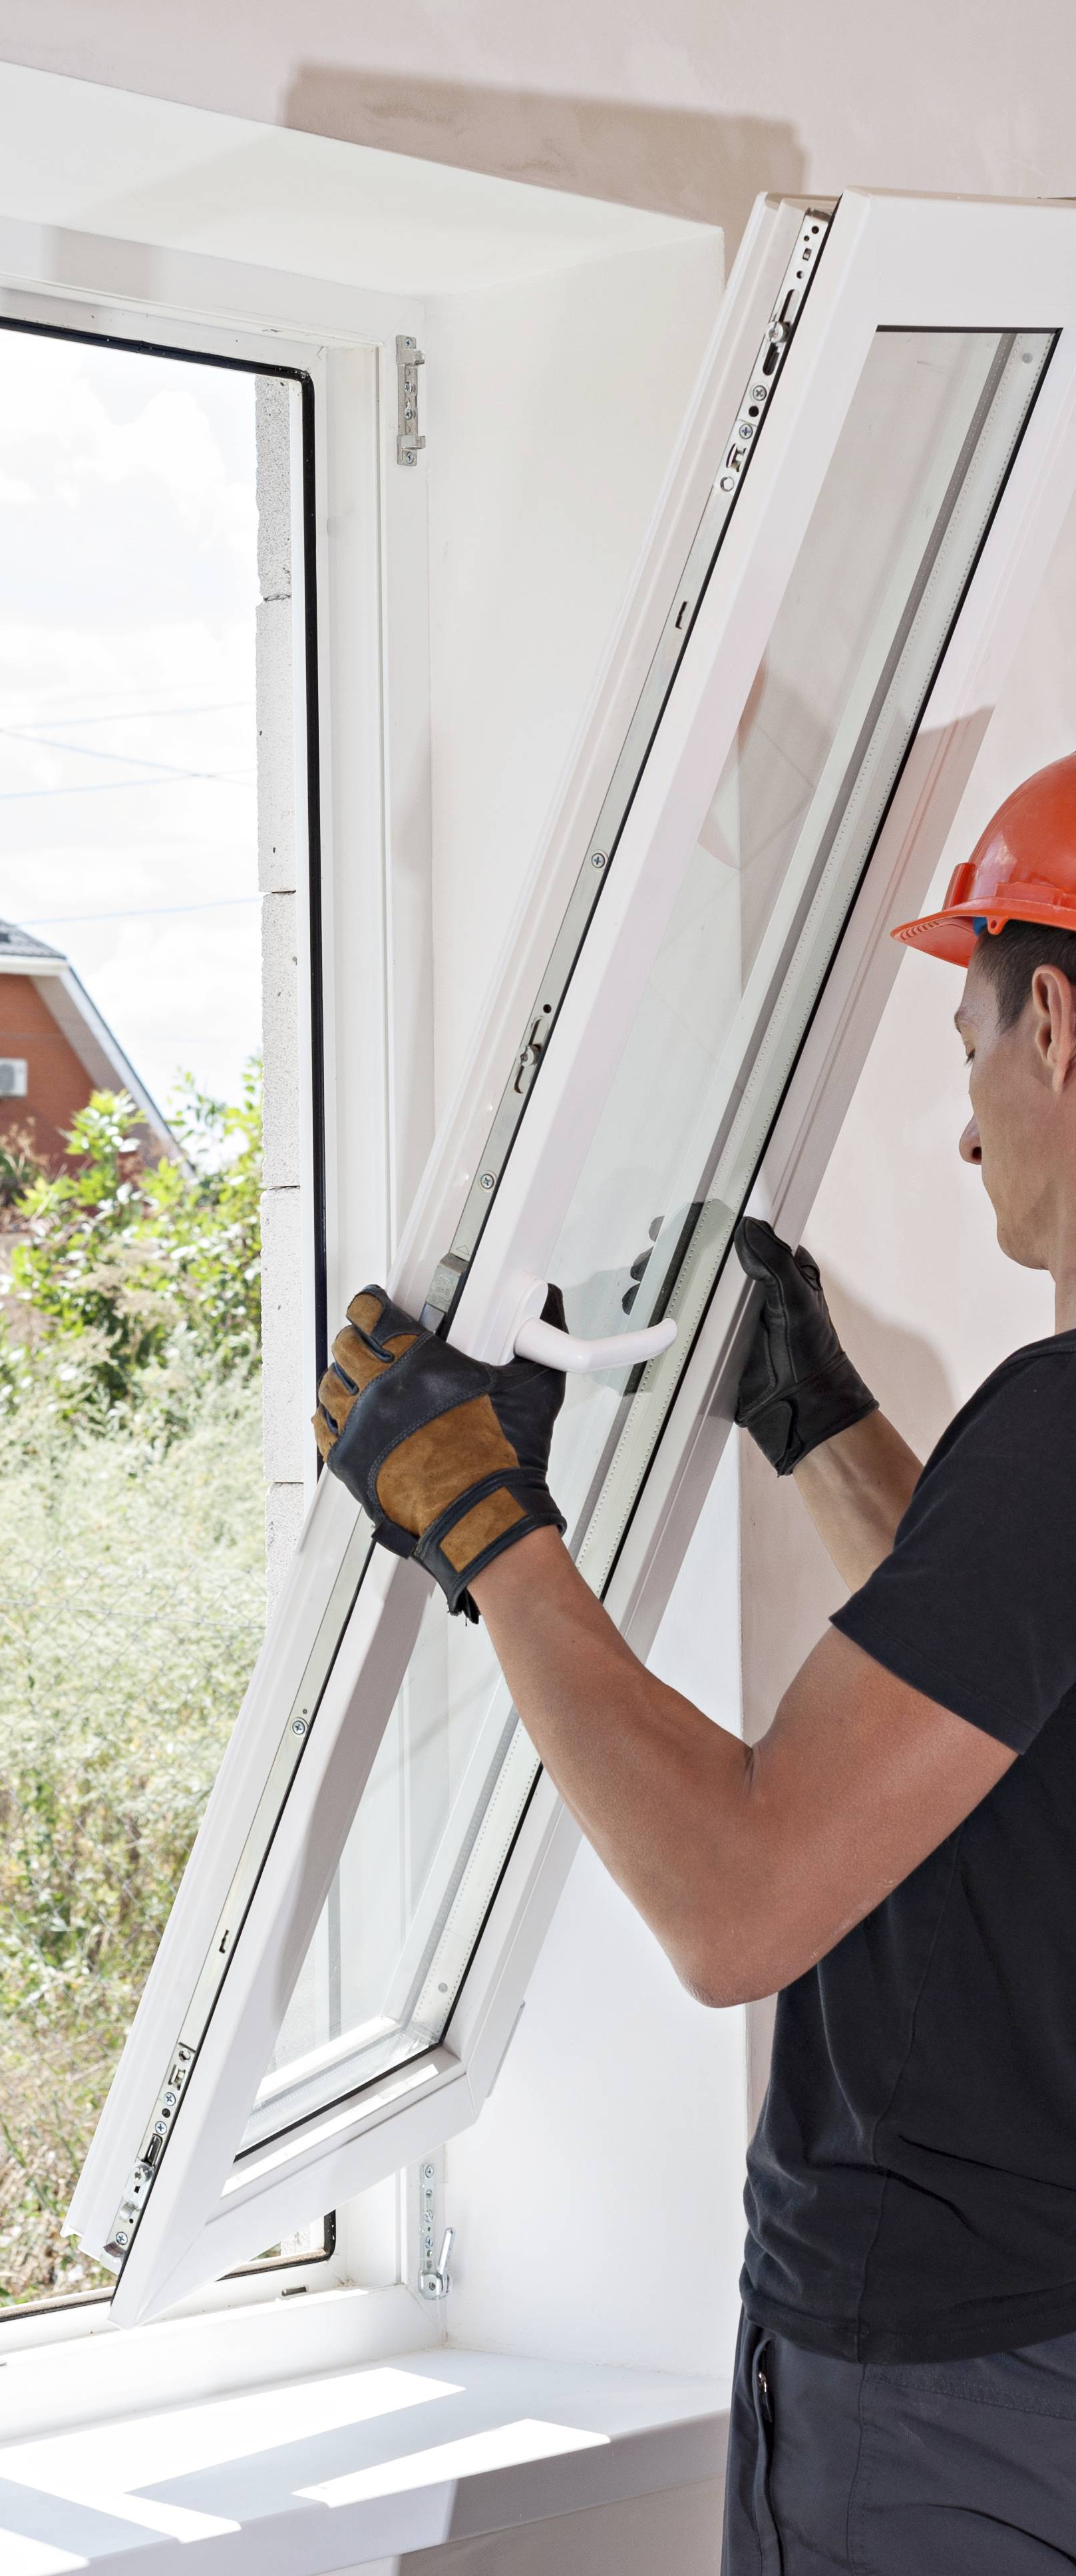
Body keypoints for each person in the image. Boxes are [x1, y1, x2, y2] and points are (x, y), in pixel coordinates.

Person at [314, 750, 1076, 2575]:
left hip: (951, 2384)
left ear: (1054, 1021)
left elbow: (739, 1901)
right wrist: (821, 1425)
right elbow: (999, 1706)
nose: (967, 1130)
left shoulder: (1058, 1437)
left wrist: (485, 1521)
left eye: (965, 1051)